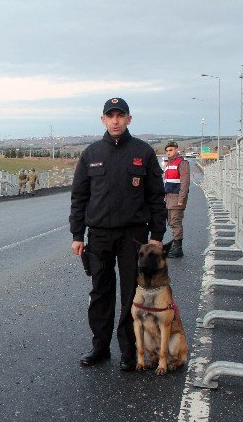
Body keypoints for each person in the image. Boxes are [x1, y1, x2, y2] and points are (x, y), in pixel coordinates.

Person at [69, 97, 167, 371]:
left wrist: (157, 234)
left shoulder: (143, 152)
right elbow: (79, 198)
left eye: (120, 115)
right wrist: (78, 234)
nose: (115, 120)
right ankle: (99, 347)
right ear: (103, 120)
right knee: (100, 291)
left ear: (128, 119)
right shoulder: (91, 154)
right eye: (110, 116)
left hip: (133, 236)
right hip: (98, 235)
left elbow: (156, 197)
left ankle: (128, 350)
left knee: (131, 293)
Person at [163, 141, 190, 258]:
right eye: (167, 151)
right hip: (169, 197)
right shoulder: (169, 163)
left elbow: (185, 182)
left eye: (171, 150)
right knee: (171, 222)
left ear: (177, 149)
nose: (169, 152)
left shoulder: (182, 163)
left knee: (175, 221)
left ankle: (178, 248)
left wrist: (181, 199)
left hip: (176, 198)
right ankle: (175, 244)